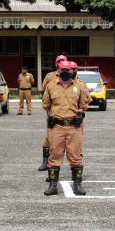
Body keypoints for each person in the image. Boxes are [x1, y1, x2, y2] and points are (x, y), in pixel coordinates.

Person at [42, 60, 90, 196]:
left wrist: (80, 115)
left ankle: (77, 185)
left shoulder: (80, 86)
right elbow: (46, 105)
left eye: (68, 70)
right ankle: (52, 186)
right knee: (54, 155)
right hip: (56, 126)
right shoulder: (51, 86)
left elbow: (84, 105)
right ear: (58, 71)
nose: (65, 72)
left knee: (75, 156)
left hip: (74, 127)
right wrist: (50, 117)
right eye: (62, 70)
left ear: (72, 71)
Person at [38, 54, 68, 170]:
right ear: (56, 63)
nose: (60, 63)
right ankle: (45, 161)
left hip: (68, 112)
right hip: (53, 113)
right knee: (49, 138)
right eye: (59, 61)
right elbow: (43, 91)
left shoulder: (72, 75)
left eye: (63, 61)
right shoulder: (50, 76)